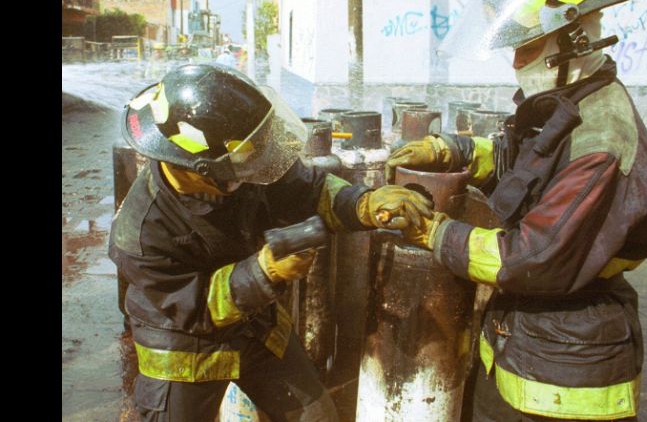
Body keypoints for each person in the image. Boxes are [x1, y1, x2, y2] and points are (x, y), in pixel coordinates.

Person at [387, 0, 647, 421]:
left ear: (573, 39)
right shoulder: (576, 101)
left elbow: (529, 258)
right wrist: (456, 151)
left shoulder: (602, 139)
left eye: (528, 47)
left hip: (568, 378)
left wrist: (434, 233)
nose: (517, 62)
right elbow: (530, 164)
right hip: (530, 347)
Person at [110, 63, 433, 421]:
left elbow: (309, 190)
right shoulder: (140, 232)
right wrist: (265, 272)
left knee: (316, 417)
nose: (257, 165)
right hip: (185, 348)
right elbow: (197, 308)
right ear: (200, 169)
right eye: (245, 161)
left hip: (254, 325)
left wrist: (363, 204)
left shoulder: (242, 158)